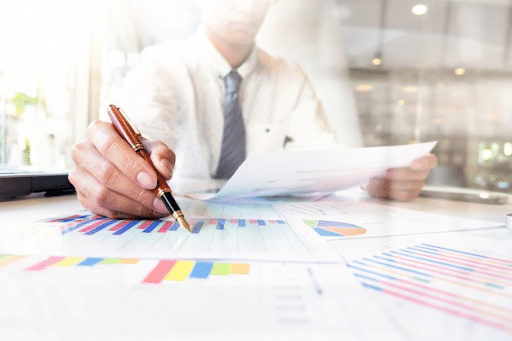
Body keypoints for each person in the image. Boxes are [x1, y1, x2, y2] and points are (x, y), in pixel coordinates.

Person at [69, 0, 437, 219]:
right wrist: (121, 169)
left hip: (267, 227)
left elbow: (322, 153)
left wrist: (367, 175)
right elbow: (146, 131)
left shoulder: (290, 77)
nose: (248, 5)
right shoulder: (161, 66)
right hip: (185, 225)